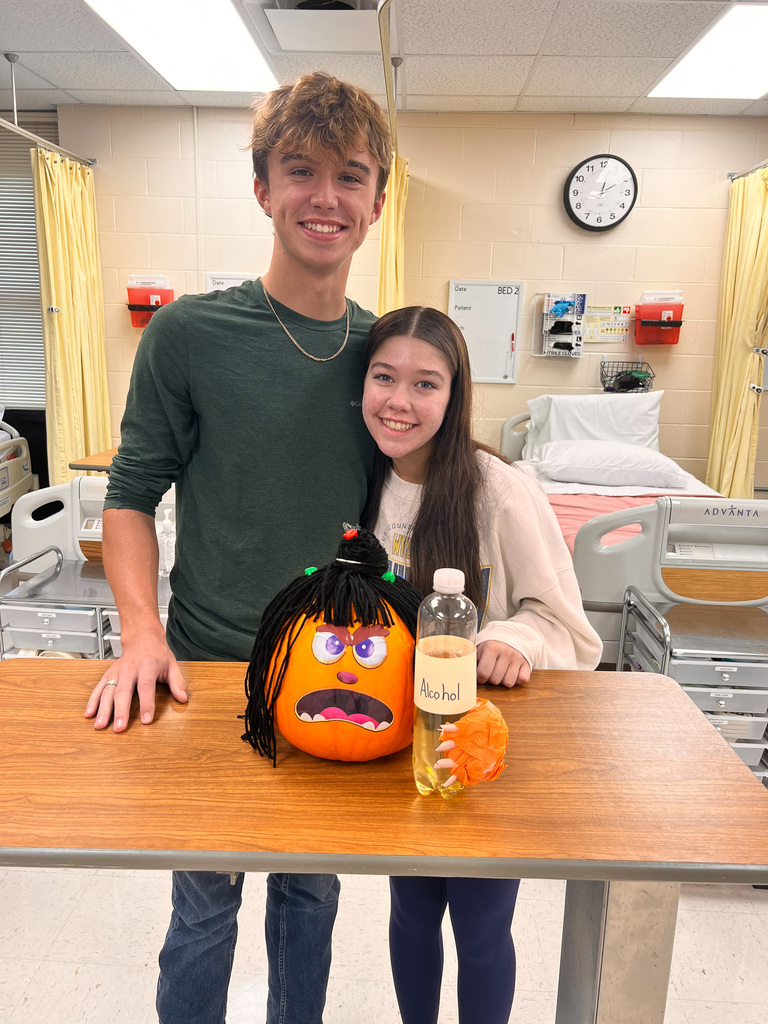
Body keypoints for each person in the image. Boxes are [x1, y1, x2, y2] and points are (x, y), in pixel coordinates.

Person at [83, 72, 392, 1024]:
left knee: (310, 904)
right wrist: (141, 634)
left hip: (341, 674)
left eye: (350, 175)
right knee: (204, 909)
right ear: (263, 188)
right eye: (300, 171)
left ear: (378, 200)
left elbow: (430, 509)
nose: (325, 197)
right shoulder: (188, 334)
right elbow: (130, 499)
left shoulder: (391, 360)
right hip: (210, 671)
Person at [360, 305, 603, 1024]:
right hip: (400, 745)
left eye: (425, 384)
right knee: (410, 914)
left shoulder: (499, 490)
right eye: (384, 377)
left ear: (455, 393)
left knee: (482, 925)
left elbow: (568, 627)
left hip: (482, 751)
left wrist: (514, 641)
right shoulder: (357, 482)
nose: (400, 401)